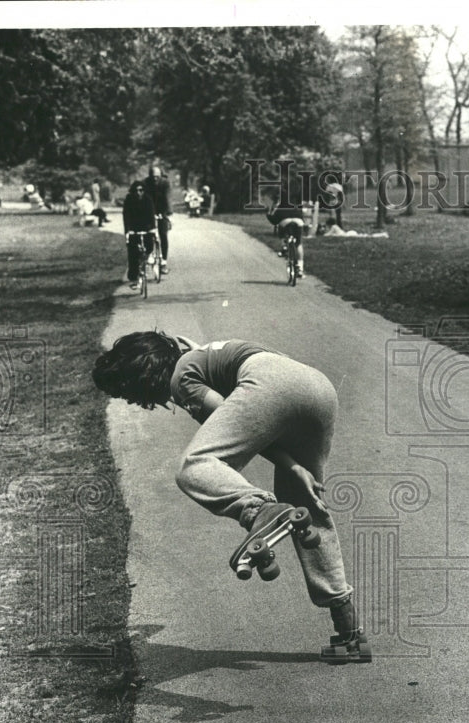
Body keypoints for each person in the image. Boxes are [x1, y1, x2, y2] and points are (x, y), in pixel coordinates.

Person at [91, 331, 371, 662]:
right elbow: (254, 419)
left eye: (126, 391)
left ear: (140, 376)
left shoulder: (182, 379)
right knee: (306, 507)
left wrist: (257, 507)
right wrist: (293, 465)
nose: (132, 401)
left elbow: (233, 414)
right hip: (318, 389)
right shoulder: (199, 355)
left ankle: (258, 511)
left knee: (194, 466)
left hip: (270, 384)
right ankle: (350, 633)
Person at [122, 181, 157, 288]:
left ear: (144, 190)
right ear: (133, 191)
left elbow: (151, 213)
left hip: (146, 228)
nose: (138, 192)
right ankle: (134, 278)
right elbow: (126, 215)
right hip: (134, 228)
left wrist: (153, 228)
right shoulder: (129, 199)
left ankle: (147, 258)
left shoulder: (148, 199)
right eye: (136, 190)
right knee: (132, 253)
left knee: (149, 246)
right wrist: (127, 231)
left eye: (141, 190)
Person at [266, 197, 305, 278]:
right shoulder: (297, 205)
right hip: (298, 222)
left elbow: (274, 221)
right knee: (299, 244)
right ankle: (300, 268)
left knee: (281, 228)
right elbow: (301, 216)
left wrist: (268, 214)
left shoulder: (280, 207)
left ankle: (284, 245)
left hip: (285, 221)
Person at [143, 165, 172, 273]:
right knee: (148, 233)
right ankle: (149, 254)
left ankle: (164, 262)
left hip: (162, 209)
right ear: (150, 176)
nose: (155, 179)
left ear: (160, 176)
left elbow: (167, 197)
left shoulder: (165, 183)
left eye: (157, 176)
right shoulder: (145, 183)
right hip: (149, 209)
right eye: (153, 176)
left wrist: (168, 211)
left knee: (163, 234)